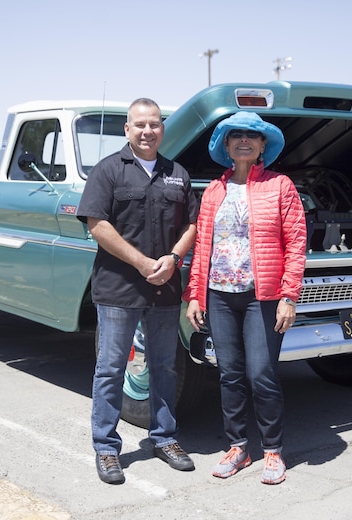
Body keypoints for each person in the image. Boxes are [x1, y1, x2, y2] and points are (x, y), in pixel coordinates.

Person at [77, 98, 199, 485]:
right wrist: (143, 264)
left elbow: (192, 224)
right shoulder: (108, 170)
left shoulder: (177, 173)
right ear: (126, 130)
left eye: (154, 124)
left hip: (164, 289)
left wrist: (173, 259)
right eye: (139, 124)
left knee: (164, 367)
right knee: (111, 368)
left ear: (162, 128)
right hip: (119, 289)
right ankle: (107, 448)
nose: (148, 131)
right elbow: (97, 224)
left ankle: (164, 438)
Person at [184, 111, 307, 485]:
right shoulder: (213, 191)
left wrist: (289, 296)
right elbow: (202, 245)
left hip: (262, 296)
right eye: (235, 135)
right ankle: (238, 447)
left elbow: (297, 242)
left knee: (262, 373)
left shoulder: (280, 185)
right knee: (229, 374)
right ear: (226, 145)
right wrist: (194, 295)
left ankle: (273, 450)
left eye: (252, 136)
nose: (243, 141)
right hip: (219, 294)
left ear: (262, 146)